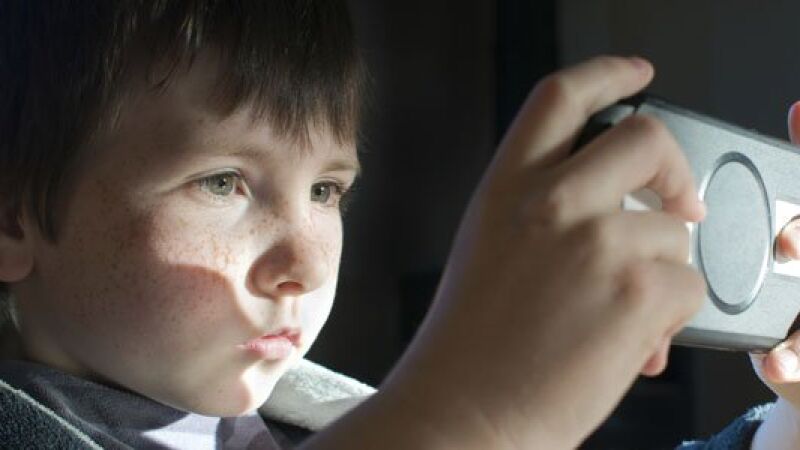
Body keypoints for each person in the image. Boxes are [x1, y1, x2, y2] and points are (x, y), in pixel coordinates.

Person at [0, 1, 797, 448]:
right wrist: (467, 413)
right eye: (221, 182)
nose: (307, 264)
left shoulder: (331, 417)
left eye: (326, 191)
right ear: (12, 219)